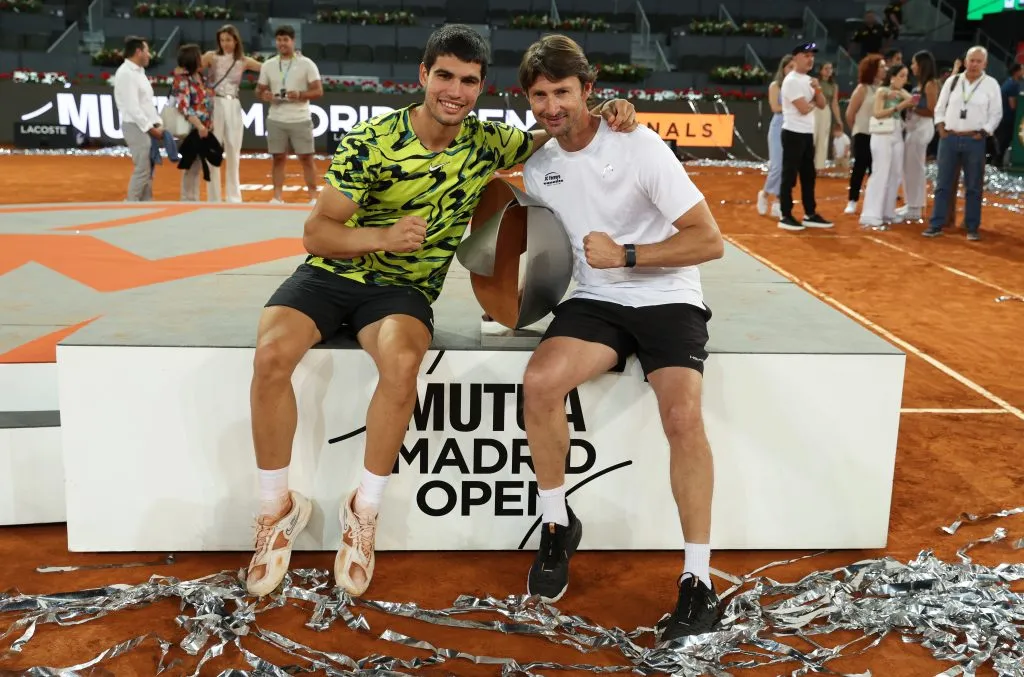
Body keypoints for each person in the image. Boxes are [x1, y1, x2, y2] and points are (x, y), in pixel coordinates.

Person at [242, 24, 637, 599]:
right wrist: (382, 236)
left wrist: (607, 108)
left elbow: (549, 130)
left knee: (402, 365)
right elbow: (316, 233)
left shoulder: (486, 142)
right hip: (333, 274)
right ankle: (276, 510)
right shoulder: (374, 140)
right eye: (445, 76)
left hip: (401, 293)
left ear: (481, 87)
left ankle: (364, 513)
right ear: (424, 75)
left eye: (469, 81)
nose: (455, 90)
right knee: (272, 354)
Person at [516, 34, 725, 642]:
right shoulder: (539, 165)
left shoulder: (639, 145)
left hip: (667, 296)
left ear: (588, 87)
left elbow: (708, 240)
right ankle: (557, 524)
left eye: (563, 91)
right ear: (528, 99)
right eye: (539, 95)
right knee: (539, 382)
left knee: (683, 418)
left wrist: (628, 254)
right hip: (594, 300)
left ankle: (699, 581)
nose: (552, 106)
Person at [923, 46, 1002, 241]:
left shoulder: (991, 84)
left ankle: (972, 227)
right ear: (965, 61)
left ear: (985, 64)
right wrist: (940, 128)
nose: (974, 64)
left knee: (974, 186)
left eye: (978, 61)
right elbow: (940, 107)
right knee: (942, 184)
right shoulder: (953, 81)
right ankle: (936, 224)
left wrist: (984, 132)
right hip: (949, 138)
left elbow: (996, 113)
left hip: (974, 139)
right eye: (971, 60)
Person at [256, 25, 323, 204]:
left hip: (300, 117)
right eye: (279, 40)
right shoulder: (269, 65)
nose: (282, 43)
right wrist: (266, 95)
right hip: (276, 118)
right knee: (278, 158)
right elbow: (259, 90)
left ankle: (313, 197)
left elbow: (318, 91)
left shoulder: (306, 64)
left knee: (307, 158)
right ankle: (277, 197)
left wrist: (300, 95)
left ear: (293, 41)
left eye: (286, 40)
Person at [202, 25, 263, 203]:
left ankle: (234, 197)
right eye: (222, 40)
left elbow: (266, 68)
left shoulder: (244, 61)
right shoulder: (211, 57)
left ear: (236, 40)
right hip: (215, 104)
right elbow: (191, 66)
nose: (225, 43)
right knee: (212, 152)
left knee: (234, 151)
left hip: (234, 104)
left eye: (228, 40)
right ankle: (213, 197)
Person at [778, 42, 833, 231]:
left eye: (812, 56)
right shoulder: (791, 80)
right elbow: (803, 109)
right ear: (796, 58)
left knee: (809, 177)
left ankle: (810, 213)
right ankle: (785, 215)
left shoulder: (810, 80)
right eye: (806, 55)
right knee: (789, 176)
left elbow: (823, 104)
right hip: (793, 132)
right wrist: (813, 100)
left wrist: (817, 89)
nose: (810, 59)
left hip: (807, 133)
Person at [860, 64, 915, 228]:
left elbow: (910, 99)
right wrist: (897, 106)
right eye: (901, 75)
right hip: (882, 133)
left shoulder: (897, 92)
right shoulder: (882, 91)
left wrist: (899, 93)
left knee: (895, 173)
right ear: (892, 76)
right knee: (880, 173)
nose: (904, 79)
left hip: (897, 132)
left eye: (906, 76)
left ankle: (887, 211)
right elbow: (877, 113)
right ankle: (870, 214)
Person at [112, 36, 164, 201]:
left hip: (143, 126)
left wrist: (157, 123)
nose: (149, 55)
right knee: (143, 169)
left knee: (148, 169)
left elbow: (146, 104)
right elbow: (133, 108)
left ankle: (146, 204)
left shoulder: (138, 72)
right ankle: (131, 205)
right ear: (138, 51)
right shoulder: (126, 73)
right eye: (147, 51)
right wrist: (151, 128)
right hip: (135, 126)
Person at [170, 44, 214, 201]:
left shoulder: (201, 78)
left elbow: (207, 101)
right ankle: (187, 199)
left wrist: (208, 123)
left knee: (197, 165)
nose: (201, 59)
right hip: (191, 128)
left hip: (202, 128)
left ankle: (193, 198)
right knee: (190, 165)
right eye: (198, 56)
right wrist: (199, 125)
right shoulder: (182, 80)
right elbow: (184, 107)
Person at [843, 54, 886, 215]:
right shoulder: (862, 88)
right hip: (862, 134)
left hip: (879, 134)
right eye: (881, 66)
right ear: (873, 70)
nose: (885, 69)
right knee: (859, 168)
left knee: (876, 170)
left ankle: (874, 202)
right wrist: (856, 130)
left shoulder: (884, 88)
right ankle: (852, 201)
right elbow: (850, 113)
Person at [902, 50, 939, 221]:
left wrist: (912, 108)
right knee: (909, 167)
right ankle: (911, 204)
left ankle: (916, 208)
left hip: (922, 127)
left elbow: (932, 110)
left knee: (915, 168)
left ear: (921, 65)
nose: (912, 66)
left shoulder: (930, 84)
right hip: (914, 126)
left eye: (914, 63)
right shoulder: (920, 84)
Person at [757, 55, 793, 219]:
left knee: (788, 168)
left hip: (794, 127)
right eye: (789, 67)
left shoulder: (799, 85)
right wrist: (796, 106)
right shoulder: (775, 85)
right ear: (783, 68)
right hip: (779, 126)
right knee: (777, 166)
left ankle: (778, 202)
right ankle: (764, 194)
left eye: (794, 67)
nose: (792, 70)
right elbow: (775, 107)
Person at [812, 62, 842, 171]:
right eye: (826, 68)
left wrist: (839, 120)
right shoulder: (814, 82)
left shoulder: (834, 86)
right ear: (820, 70)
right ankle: (805, 165)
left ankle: (819, 166)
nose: (829, 70)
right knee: (812, 137)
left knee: (823, 138)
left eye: (830, 68)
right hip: (814, 109)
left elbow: (834, 103)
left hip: (826, 110)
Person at [996, 63, 1022, 167]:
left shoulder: (1012, 82)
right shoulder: (1012, 85)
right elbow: (1013, 105)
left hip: (1006, 119)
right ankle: (996, 164)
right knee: (1003, 142)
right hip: (1006, 119)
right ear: (1017, 71)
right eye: (1022, 69)